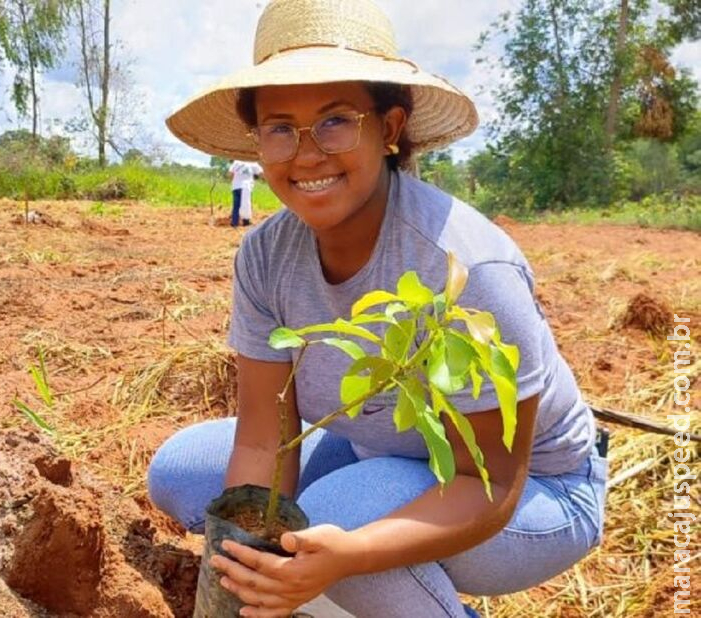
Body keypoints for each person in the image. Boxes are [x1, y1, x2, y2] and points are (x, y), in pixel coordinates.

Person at [150, 1, 607, 617]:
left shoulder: (466, 271)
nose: (306, 154)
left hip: (537, 493)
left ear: (390, 128)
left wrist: (350, 555)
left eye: (336, 120)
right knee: (183, 473)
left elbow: (492, 484)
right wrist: (243, 577)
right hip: (379, 453)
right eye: (280, 128)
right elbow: (264, 439)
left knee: (336, 520)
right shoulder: (265, 255)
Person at [229, 159, 262, 226]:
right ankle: (246, 222)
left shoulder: (236, 161)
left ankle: (234, 222)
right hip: (246, 187)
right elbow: (261, 173)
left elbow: (230, 173)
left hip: (236, 186)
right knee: (246, 204)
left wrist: (234, 182)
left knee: (236, 205)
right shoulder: (253, 162)